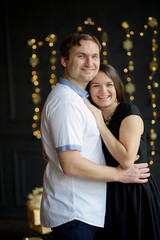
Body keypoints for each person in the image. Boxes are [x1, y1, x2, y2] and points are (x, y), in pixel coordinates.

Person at [40, 31, 150, 240]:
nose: (90, 62)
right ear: (64, 60)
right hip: (74, 212)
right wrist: (121, 175)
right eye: (81, 55)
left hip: (85, 210)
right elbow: (71, 165)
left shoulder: (79, 100)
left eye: (95, 56)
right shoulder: (67, 103)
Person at [84, 63, 160, 240]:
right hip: (107, 190)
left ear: (116, 87)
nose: (103, 90)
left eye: (109, 84)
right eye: (96, 85)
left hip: (133, 193)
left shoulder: (129, 113)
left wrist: (101, 125)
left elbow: (126, 161)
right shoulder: (90, 115)